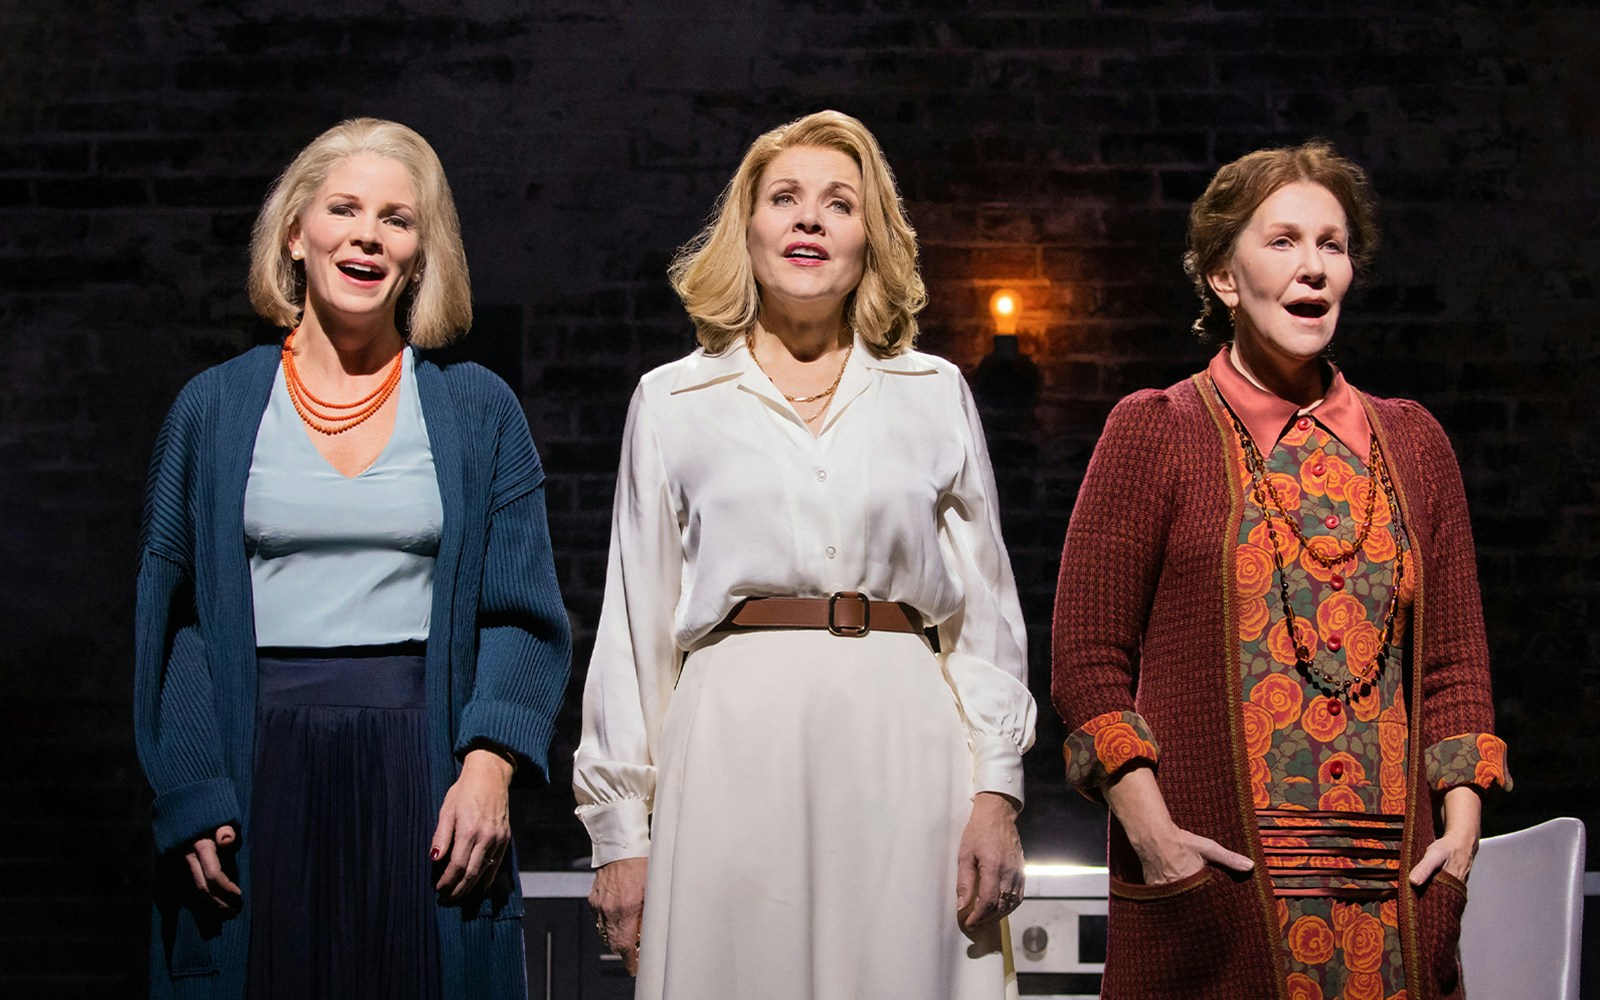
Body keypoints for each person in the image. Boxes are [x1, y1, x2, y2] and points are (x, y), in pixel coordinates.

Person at [573, 110, 1036, 1000]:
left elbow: (983, 614)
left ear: (872, 239)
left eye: (839, 203)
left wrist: (997, 793)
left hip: (906, 741)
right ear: (746, 229)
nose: (810, 219)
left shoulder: (934, 393)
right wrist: (620, 836)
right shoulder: (673, 401)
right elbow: (634, 629)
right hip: (731, 746)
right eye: (784, 197)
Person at [1052, 140, 1510, 1000]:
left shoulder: (1413, 443)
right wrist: (1159, 841)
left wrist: (1460, 837)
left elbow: (1455, 665)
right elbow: (1087, 661)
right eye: (1284, 242)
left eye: (1332, 246)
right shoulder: (1157, 432)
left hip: (1395, 895)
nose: (1314, 268)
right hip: (1220, 891)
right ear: (1225, 278)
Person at [134, 118, 571, 1000]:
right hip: (257, 773)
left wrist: (488, 767)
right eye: (344, 208)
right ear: (296, 233)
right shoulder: (212, 411)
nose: (368, 233)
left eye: (397, 219)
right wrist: (191, 787)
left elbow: (521, 614)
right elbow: (175, 619)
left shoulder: (477, 411)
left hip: (423, 774)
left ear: (420, 255)